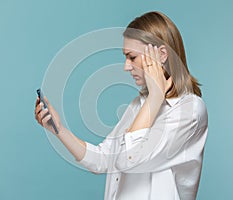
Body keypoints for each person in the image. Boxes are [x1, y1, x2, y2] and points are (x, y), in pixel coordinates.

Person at [35, 11, 208, 200]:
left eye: (132, 57)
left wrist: (155, 98)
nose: (126, 66)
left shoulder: (189, 111)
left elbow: (128, 160)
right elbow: (103, 160)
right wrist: (59, 130)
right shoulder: (139, 105)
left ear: (162, 55)